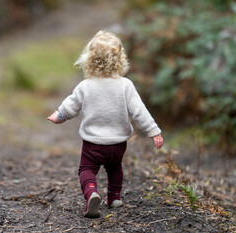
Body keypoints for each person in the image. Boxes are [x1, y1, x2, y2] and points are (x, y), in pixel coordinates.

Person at [47, 30, 163, 218]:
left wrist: (59, 116)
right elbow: (139, 111)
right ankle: (114, 197)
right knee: (115, 167)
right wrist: (153, 131)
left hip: (93, 143)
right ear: (120, 59)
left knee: (86, 170)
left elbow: (71, 106)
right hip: (118, 145)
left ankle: (92, 192)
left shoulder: (86, 86)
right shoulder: (125, 85)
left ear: (89, 59)